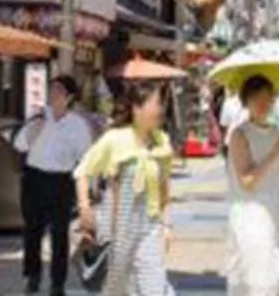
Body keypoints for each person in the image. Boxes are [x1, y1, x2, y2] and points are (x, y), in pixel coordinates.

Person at [75, 84, 176, 296]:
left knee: (154, 287)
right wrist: (84, 207)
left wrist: (166, 225)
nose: (161, 109)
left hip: (149, 227)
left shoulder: (162, 141)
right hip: (116, 229)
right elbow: (83, 171)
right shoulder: (115, 139)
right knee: (116, 289)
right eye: (156, 103)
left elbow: (164, 187)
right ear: (137, 109)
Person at [224, 76, 279, 296]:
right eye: (257, 98)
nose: (264, 104)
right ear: (246, 101)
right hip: (251, 220)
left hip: (278, 217)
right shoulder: (239, 135)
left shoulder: (278, 134)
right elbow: (247, 181)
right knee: (260, 286)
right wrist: (273, 154)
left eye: (268, 98)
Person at [14, 75, 95, 296]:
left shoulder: (78, 125)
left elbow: (86, 159)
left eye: (58, 91)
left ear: (69, 97)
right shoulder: (38, 116)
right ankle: (33, 276)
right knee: (32, 231)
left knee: (60, 235)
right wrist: (34, 129)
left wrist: (88, 194)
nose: (53, 94)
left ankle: (57, 284)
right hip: (34, 179)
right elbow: (19, 145)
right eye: (51, 90)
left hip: (60, 182)